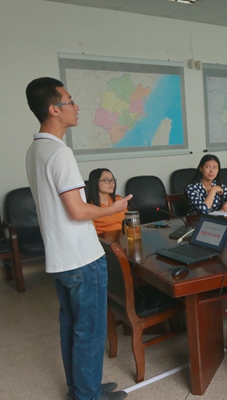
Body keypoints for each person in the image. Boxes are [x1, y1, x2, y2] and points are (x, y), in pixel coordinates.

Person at [25, 77, 129, 400]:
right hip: (82, 258)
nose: (77, 106)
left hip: (60, 257)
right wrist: (116, 208)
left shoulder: (35, 149)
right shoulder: (60, 153)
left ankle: (82, 389)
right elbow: (78, 211)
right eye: (70, 101)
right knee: (91, 332)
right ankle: (88, 396)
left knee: (72, 326)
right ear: (54, 109)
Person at [87, 168, 127, 234]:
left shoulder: (118, 199)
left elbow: (128, 222)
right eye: (106, 180)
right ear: (95, 182)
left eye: (112, 180)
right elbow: (91, 234)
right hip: (103, 241)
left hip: (123, 237)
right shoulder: (90, 207)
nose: (111, 183)